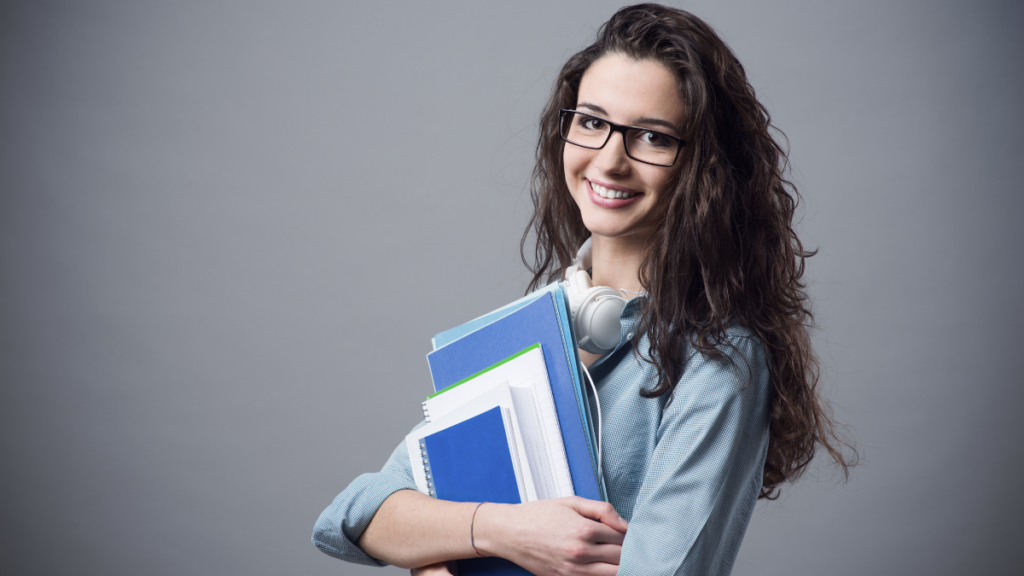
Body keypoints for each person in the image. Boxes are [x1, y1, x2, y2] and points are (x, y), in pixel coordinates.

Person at [312, 4, 854, 575]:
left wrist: (434, 555)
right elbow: (354, 517)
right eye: (592, 122)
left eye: (652, 136)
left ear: (705, 169)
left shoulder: (720, 360)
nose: (610, 161)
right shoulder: (534, 325)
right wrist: (505, 532)